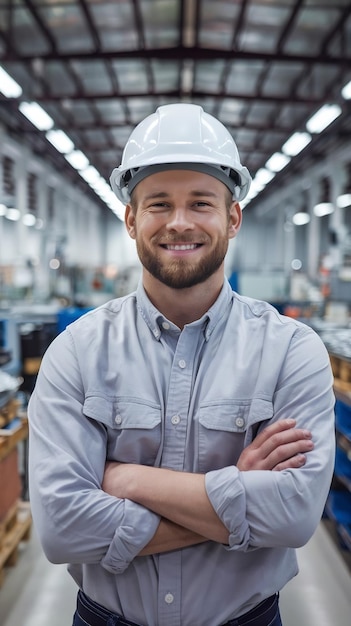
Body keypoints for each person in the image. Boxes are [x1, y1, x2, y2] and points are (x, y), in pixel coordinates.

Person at [28, 103, 335, 626]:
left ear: (232, 217)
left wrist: (126, 480)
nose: (179, 223)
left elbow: (292, 516)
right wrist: (237, 487)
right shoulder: (76, 350)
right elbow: (62, 528)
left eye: (200, 202)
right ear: (130, 218)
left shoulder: (292, 351)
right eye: (158, 204)